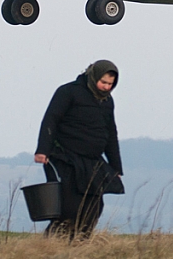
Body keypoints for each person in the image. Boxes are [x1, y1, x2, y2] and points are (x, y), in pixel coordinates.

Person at [34, 60, 124, 238]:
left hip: (93, 161)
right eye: (103, 82)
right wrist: (42, 150)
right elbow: (50, 120)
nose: (106, 87)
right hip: (64, 158)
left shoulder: (107, 101)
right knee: (68, 207)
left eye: (110, 84)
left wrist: (116, 167)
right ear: (93, 76)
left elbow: (110, 133)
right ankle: (52, 244)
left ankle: (81, 243)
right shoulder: (67, 92)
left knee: (94, 206)